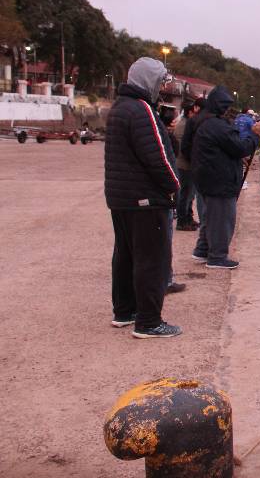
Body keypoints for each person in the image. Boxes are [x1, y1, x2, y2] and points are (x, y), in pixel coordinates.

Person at [104, 57, 182, 338]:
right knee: (152, 259)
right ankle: (149, 322)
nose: (163, 87)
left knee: (125, 255)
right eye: (161, 80)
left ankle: (125, 311)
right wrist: (174, 186)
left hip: (121, 197)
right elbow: (158, 158)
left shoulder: (120, 108)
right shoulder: (142, 110)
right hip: (146, 200)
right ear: (149, 80)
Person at [191, 86, 260, 269]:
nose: (228, 111)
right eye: (226, 107)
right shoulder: (218, 126)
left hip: (207, 176)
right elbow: (240, 147)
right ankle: (217, 257)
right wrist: (255, 135)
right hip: (220, 179)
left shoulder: (205, 122)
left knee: (211, 217)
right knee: (223, 219)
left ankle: (202, 250)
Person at [174, 99, 203, 231]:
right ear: (190, 112)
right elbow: (186, 147)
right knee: (185, 194)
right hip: (185, 164)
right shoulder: (186, 125)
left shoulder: (183, 123)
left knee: (189, 195)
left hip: (184, 163)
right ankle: (182, 221)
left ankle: (188, 218)